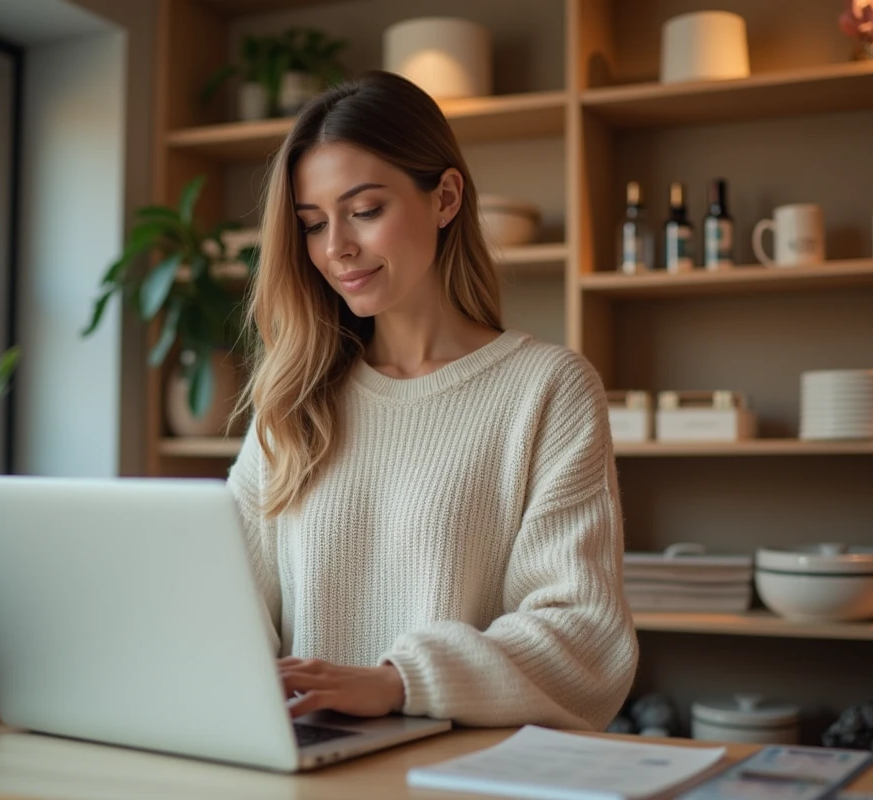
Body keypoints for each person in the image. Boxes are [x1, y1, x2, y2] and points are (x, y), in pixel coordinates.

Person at [226, 70, 638, 732]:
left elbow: (583, 636)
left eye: (365, 211)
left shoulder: (547, 388)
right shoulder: (295, 398)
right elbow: (224, 603)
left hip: (457, 769)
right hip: (303, 766)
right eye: (313, 224)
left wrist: (399, 683)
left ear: (445, 197)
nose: (337, 250)